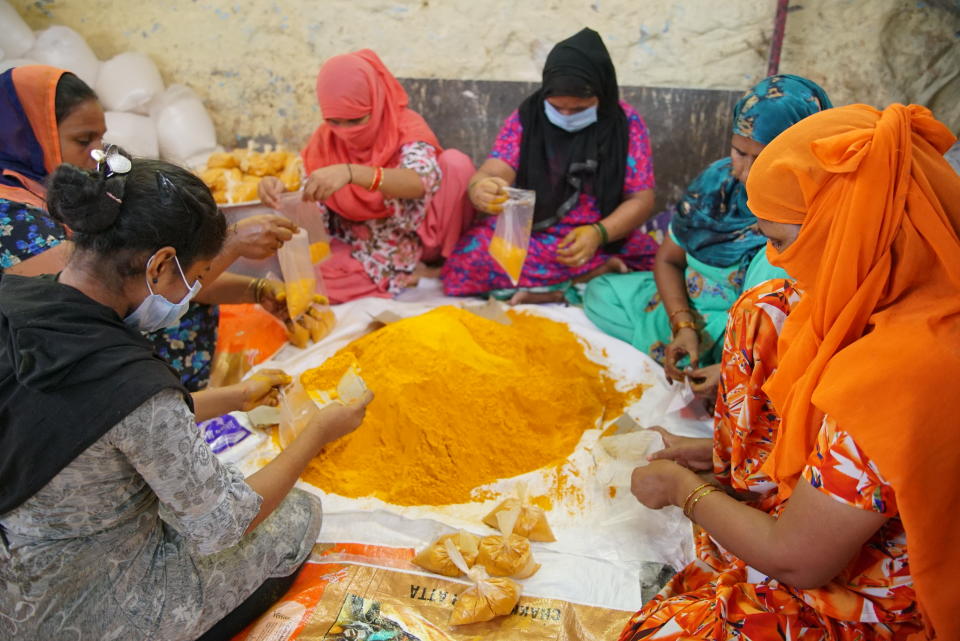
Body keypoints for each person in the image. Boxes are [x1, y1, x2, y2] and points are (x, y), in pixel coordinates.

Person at [622, 103, 960, 640]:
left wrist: (681, 490)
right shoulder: (883, 292)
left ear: (856, 233)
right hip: (826, 529)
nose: (775, 261)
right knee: (764, 309)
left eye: (781, 241)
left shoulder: (903, 374)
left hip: (887, 594)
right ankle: (753, 494)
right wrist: (717, 456)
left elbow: (801, 562)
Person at [0, 156, 373, 640]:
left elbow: (95, 428)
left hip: (15, 583)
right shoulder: (128, 382)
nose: (192, 291)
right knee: (295, 514)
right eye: (193, 276)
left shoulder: (16, 301)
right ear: (158, 265)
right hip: (88, 610)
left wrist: (233, 396)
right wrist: (315, 436)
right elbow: (223, 522)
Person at [0, 65, 297, 390]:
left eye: (101, 138)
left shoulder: (94, 189)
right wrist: (233, 243)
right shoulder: (13, 219)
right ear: (25, 137)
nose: (99, 153)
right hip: (124, 393)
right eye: (83, 140)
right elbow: (125, 290)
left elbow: (164, 275)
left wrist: (253, 290)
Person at [583, 75, 831, 392]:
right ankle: (697, 352)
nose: (746, 172)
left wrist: (733, 367)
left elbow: (793, 318)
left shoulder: (810, 209)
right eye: (740, 153)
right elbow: (669, 260)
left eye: (765, 158)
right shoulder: (716, 183)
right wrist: (683, 325)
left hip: (750, 333)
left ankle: (736, 373)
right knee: (601, 293)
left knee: (771, 267)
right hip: (689, 308)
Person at [441, 28, 657, 305]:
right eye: (556, 107)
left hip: (599, 231)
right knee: (467, 263)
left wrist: (598, 233)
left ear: (601, 94)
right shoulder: (529, 116)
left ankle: (573, 281)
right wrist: (481, 186)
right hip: (530, 225)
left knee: (658, 264)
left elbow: (641, 198)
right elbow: (496, 170)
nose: (565, 116)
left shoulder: (625, 125)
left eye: (578, 109)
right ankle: (580, 282)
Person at [259, 49, 476, 303]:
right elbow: (311, 199)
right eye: (334, 122)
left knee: (456, 164)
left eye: (356, 120)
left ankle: (442, 266)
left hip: (417, 231)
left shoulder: (404, 125)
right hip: (365, 239)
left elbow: (419, 181)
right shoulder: (325, 140)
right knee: (297, 275)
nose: (345, 132)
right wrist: (281, 192)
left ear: (377, 100)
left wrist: (352, 173)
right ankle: (392, 273)